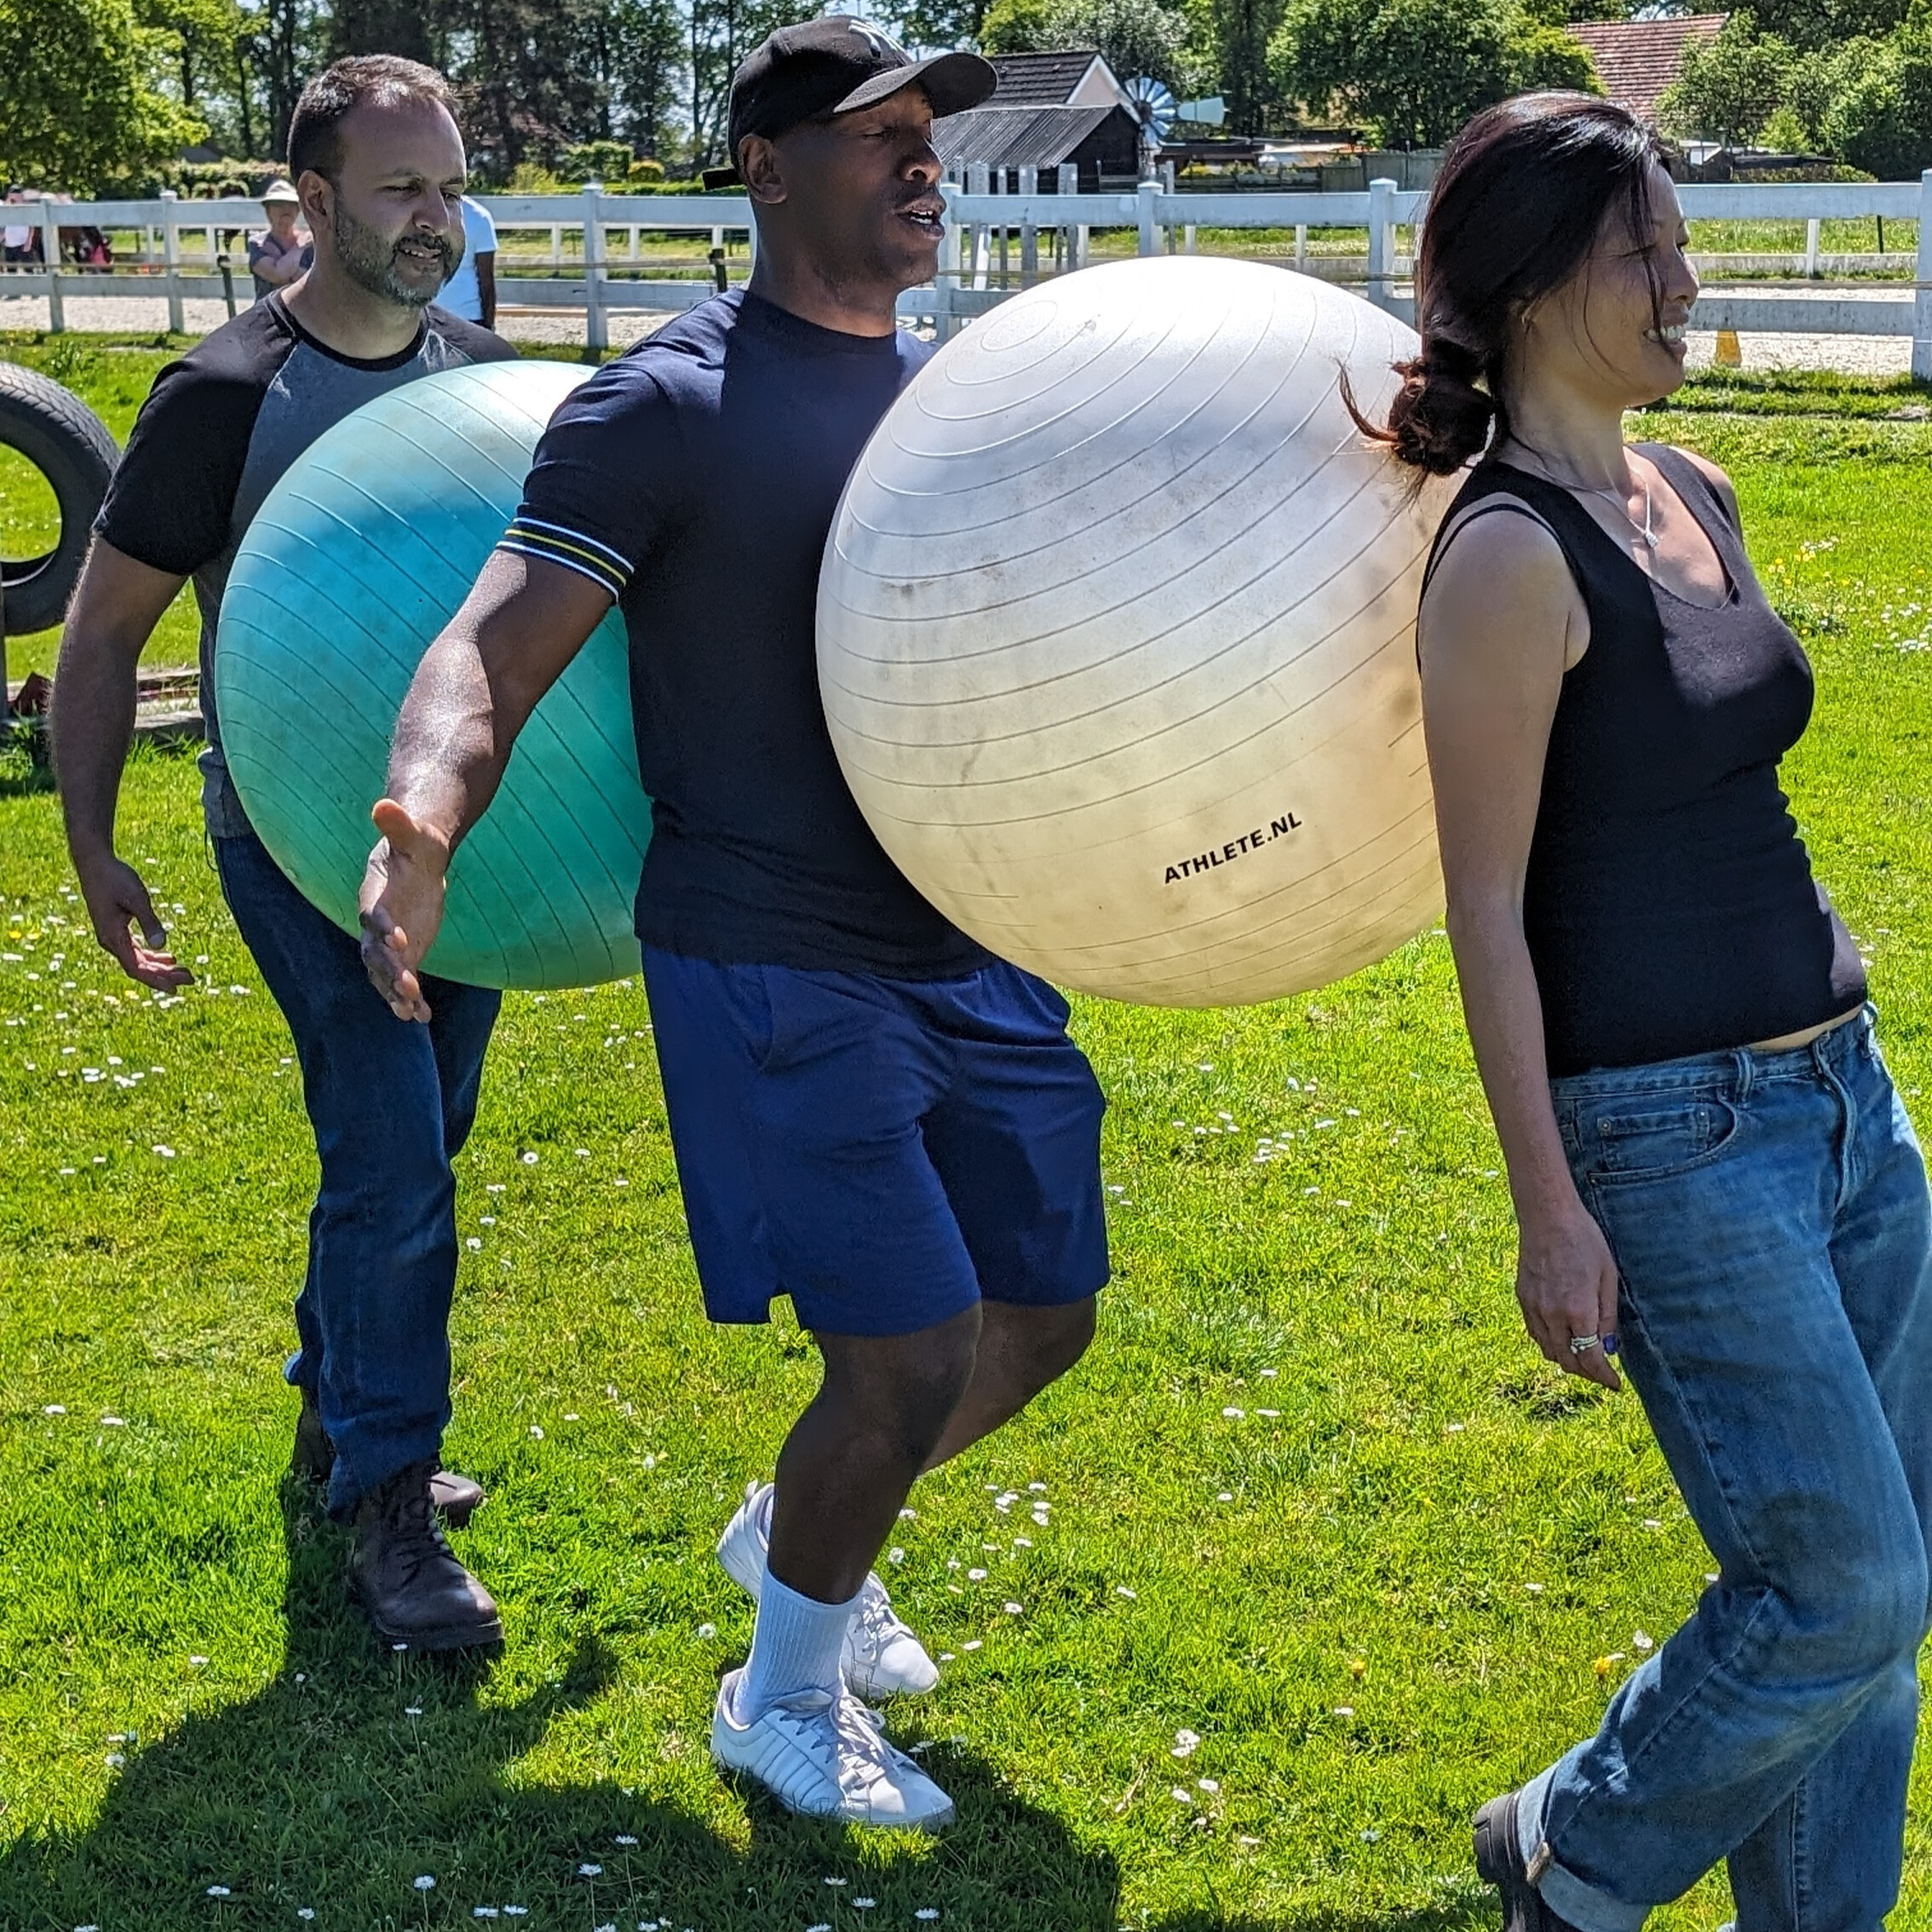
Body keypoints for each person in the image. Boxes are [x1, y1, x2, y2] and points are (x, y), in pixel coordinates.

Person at [358, 18, 1108, 1829]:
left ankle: (795, 1531)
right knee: (906, 1346)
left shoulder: (950, 394)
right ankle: (779, 1700)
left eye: (932, 130)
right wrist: (420, 817)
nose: (922, 157)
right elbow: (493, 636)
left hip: (966, 925)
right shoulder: (666, 403)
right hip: (770, 943)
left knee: (1043, 1311)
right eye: (875, 133)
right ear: (765, 170)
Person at [1363, 91, 1932, 1932]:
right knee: (1839, 1590)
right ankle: (1576, 1852)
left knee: (1882, 1587)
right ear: (1536, 288)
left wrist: (1847, 1064)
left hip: (1843, 1098)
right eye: (1652, 251)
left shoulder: (1702, 490)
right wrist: (1550, 1206)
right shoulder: (1507, 557)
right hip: (1670, 1137)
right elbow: (1484, 905)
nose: (1693, 281)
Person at [53, 55, 516, 1655]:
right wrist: (94, 841)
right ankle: (389, 1504)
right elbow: (105, 633)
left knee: (423, 1136)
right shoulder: (224, 393)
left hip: (456, 847)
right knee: (392, 1156)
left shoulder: (480, 372)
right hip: (295, 841)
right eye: (401, 190)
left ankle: (339, 1409)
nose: (434, 219)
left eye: (448, 187)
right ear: (312, 204)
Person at [436, 193, 497, 328]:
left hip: (431, 315)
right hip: (468, 314)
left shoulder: (424, 214)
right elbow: (486, 277)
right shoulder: (480, 216)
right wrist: (490, 323)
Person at [247, 178, 311, 298]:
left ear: (298, 210)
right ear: (268, 210)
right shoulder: (258, 243)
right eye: (279, 205)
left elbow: (314, 282)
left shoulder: (310, 243)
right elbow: (276, 276)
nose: (286, 210)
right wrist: (298, 248)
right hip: (268, 313)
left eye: (291, 205)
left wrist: (280, 261)